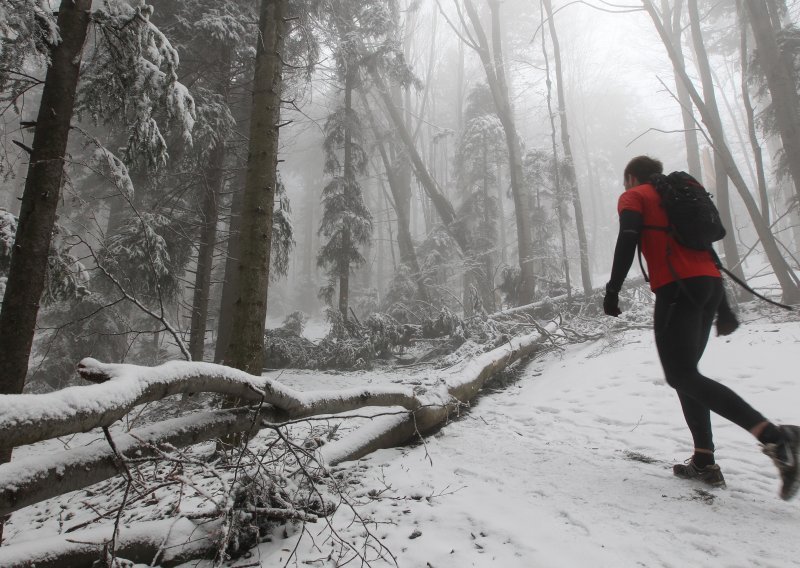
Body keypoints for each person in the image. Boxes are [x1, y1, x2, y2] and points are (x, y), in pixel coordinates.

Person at [603, 155, 800, 499]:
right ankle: (704, 461)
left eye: (625, 182)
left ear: (632, 177)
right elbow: (706, 250)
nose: (625, 188)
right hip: (706, 286)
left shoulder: (636, 196)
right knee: (687, 375)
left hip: (677, 289)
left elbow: (627, 239)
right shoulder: (675, 197)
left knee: (681, 375)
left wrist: (612, 289)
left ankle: (776, 437)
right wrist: (721, 307)